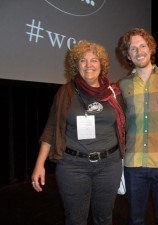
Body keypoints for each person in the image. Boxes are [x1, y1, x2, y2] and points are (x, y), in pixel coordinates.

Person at [31, 40, 126, 225]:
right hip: (73, 166)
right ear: (76, 65)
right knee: (75, 219)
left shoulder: (113, 92)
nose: (89, 65)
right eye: (83, 60)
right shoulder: (65, 92)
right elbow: (51, 128)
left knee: (104, 218)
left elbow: (123, 125)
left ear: (102, 65)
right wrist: (39, 164)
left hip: (109, 165)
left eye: (94, 60)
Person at [117, 28, 158, 225]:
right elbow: (119, 121)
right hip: (134, 164)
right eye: (133, 48)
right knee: (135, 220)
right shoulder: (122, 84)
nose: (138, 51)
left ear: (151, 48)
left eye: (142, 46)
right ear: (127, 55)